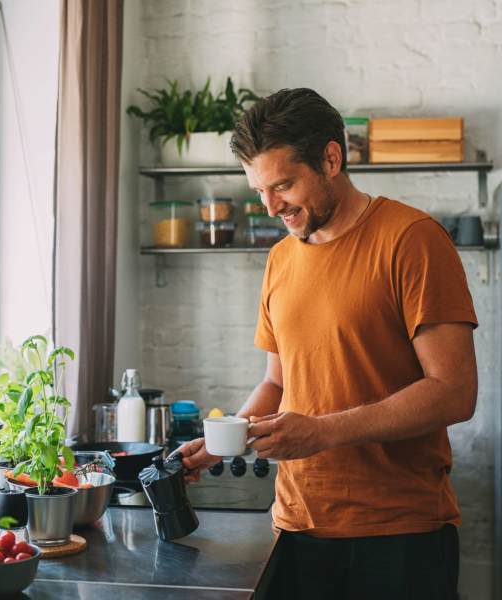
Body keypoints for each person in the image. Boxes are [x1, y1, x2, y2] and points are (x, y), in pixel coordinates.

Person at [179, 88, 478, 600]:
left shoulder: (411, 239)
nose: (271, 206)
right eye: (259, 191)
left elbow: (454, 392)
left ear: (331, 159)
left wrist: (323, 431)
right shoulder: (280, 259)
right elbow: (279, 380)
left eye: (284, 185)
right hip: (294, 528)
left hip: (399, 536)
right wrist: (224, 440)